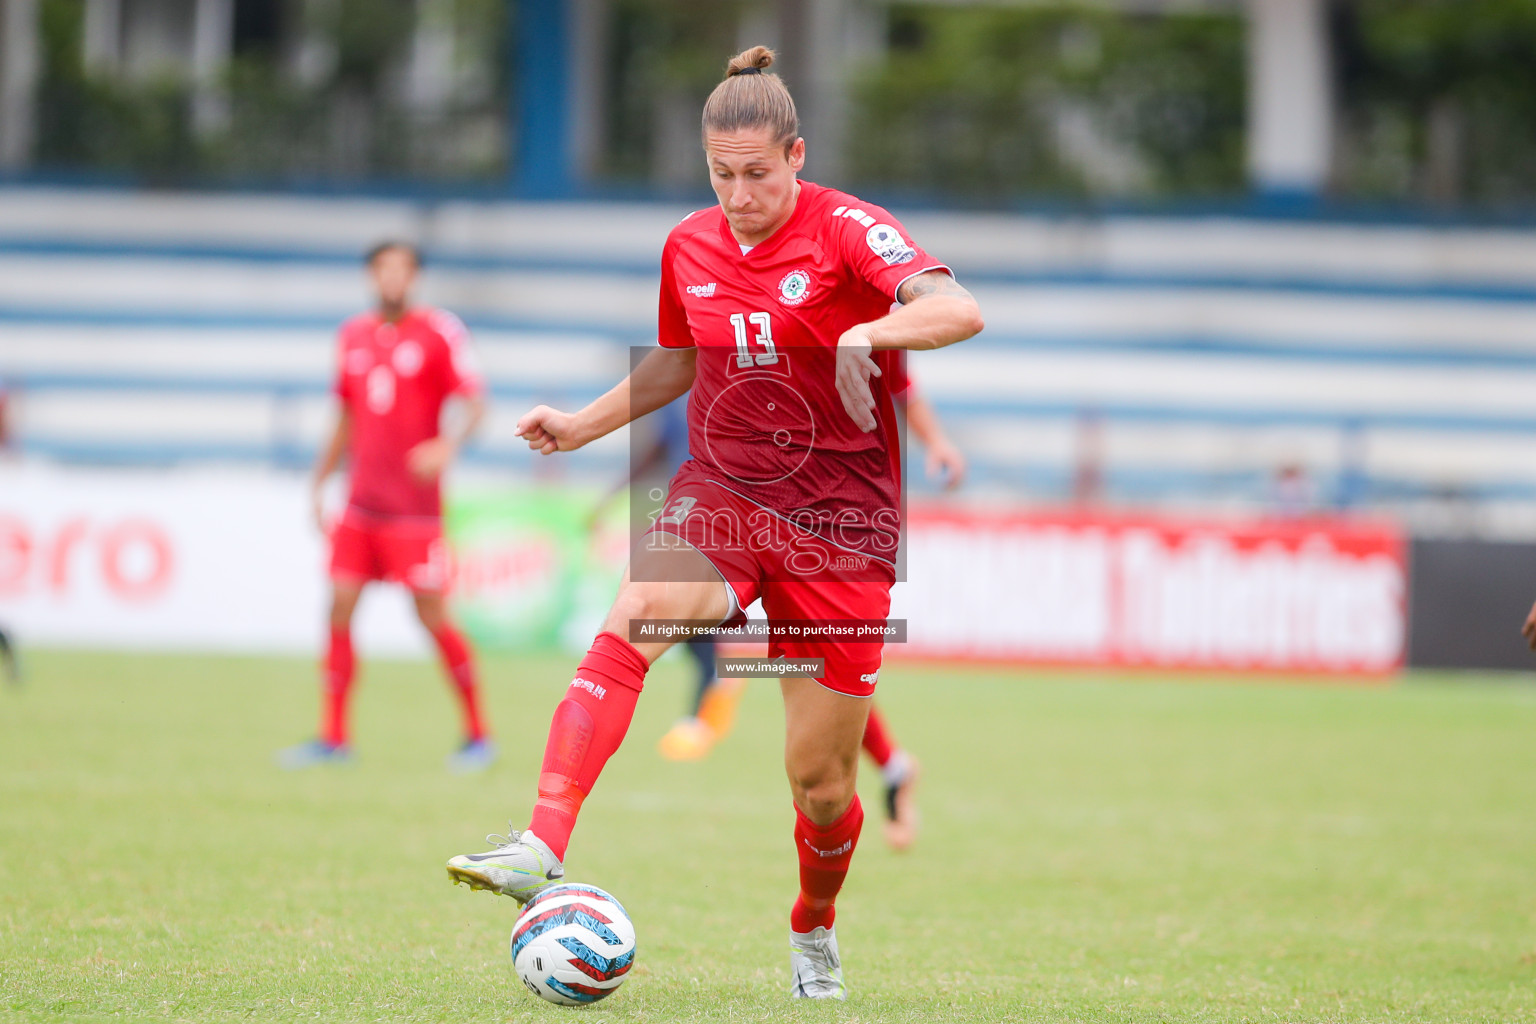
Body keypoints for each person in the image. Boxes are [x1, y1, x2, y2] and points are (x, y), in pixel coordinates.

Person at [445, 46, 982, 1000]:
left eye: (758, 175)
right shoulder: (687, 246)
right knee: (634, 617)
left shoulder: (850, 230)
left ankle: (812, 926)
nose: (739, 195)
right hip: (724, 492)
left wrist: (871, 328)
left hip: (843, 526)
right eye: (721, 175)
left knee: (820, 785)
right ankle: (541, 841)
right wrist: (580, 424)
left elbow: (957, 307)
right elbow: (673, 365)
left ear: (797, 156)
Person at [658, 369, 967, 858]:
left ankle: (890, 764)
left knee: (819, 672)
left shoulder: (841, 319)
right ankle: (892, 764)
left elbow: (897, 378)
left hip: (832, 524)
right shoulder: (741, 334)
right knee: (809, 669)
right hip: (764, 512)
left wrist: (936, 441)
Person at [278, 241, 494, 773]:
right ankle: (333, 737)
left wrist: (447, 446)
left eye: (402, 268)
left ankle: (477, 734)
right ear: (371, 276)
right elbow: (346, 416)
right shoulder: (352, 335)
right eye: (383, 268)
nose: (392, 278)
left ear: (415, 276)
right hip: (361, 506)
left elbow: (476, 403)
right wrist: (319, 483)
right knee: (339, 606)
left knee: (431, 616)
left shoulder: (440, 331)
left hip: (414, 511)